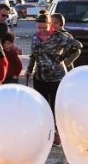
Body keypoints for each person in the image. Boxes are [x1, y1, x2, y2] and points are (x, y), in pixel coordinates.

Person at [25, 13, 82, 145]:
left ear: (50, 25)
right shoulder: (35, 38)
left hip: (57, 78)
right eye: (39, 28)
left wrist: (63, 60)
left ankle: (57, 135)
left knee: (56, 107)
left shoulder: (60, 37)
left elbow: (78, 47)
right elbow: (33, 55)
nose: (41, 31)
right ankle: (44, 135)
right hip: (40, 77)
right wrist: (29, 69)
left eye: (44, 28)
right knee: (42, 107)